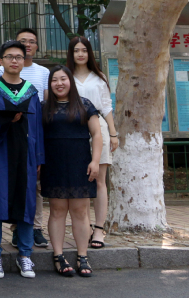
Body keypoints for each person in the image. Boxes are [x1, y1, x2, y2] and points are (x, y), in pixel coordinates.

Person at [0, 40, 44, 280]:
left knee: (26, 203)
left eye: (18, 57)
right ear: (1, 61)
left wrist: (39, 157)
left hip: (25, 154)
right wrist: (6, 119)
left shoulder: (31, 91)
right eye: (9, 57)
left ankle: (25, 254)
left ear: (24, 61)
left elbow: (37, 127)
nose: (14, 61)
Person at [41, 65, 102, 277]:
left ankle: (82, 256)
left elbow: (97, 134)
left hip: (80, 163)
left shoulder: (85, 105)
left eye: (63, 79)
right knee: (57, 210)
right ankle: (58, 255)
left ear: (70, 82)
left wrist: (95, 161)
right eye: (54, 80)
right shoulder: (43, 107)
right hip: (53, 163)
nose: (59, 83)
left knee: (80, 211)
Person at [0, 28, 49, 248]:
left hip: (29, 138)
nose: (27, 45)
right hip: (5, 140)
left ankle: (34, 231)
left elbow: (42, 111)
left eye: (31, 42)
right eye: (22, 42)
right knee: (9, 187)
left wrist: (39, 151)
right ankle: (13, 233)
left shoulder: (41, 76)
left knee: (31, 189)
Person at [67, 36, 118, 250]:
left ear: (89, 53)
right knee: (79, 181)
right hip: (72, 129)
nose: (80, 54)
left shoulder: (99, 77)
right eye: (76, 50)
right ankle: (85, 226)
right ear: (71, 53)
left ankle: (99, 228)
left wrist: (113, 134)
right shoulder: (66, 76)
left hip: (99, 128)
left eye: (84, 50)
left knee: (99, 180)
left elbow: (106, 106)